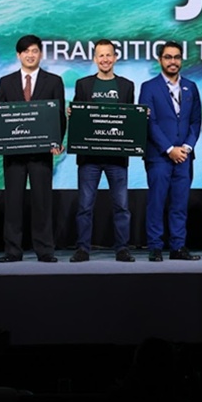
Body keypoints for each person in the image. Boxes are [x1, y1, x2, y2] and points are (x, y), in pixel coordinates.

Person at [0, 34, 66, 263]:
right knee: (13, 202)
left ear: (40, 54)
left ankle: (45, 250)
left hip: (41, 153)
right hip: (13, 153)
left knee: (42, 202)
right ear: (18, 55)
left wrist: (56, 141)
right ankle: (12, 251)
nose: (30, 55)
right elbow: (0, 115)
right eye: (25, 51)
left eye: (34, 51)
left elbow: (59, 115)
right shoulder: (6, 82)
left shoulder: (54, 81)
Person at [69, 39, 136, 263]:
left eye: (109, 55)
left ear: (115, 58)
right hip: (89, 159)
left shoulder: (127, 86)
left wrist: (140, 117)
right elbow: (78, 118)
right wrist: (72, 113)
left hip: (117, 158)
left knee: (122, 207)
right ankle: (82, 249)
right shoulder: (83, 85)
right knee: (84, 206)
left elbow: (129, 120)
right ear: (95, 59)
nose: (105, 59)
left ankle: (122, 249)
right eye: (101, 55)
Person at [138, 41, 202, 261]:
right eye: (168, 57)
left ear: (181, 60)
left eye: (176, 57)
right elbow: (150, 122)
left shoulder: (191, 87)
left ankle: (178, 247)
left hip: (184, 156)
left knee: (179, 204)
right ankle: (155, 247)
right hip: (159, 156)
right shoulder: (148, 87)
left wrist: (186, 147)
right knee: (156, 202)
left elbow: (196, 121)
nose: (172, 61)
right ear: (160, 60)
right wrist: (168, 149)